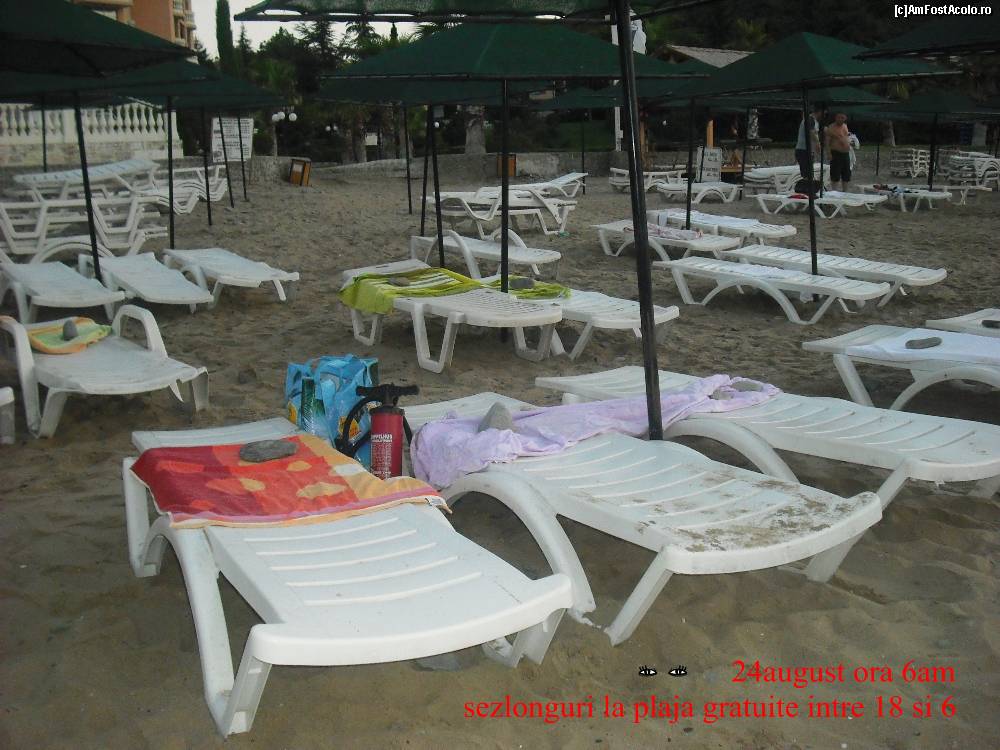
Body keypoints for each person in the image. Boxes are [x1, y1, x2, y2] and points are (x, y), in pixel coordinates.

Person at [826, 112, 853, 191]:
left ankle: (845, 192)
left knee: (846, 174)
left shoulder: (845, 126)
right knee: (835, 174)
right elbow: (827, 142)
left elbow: (846, 137)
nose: (840, 119)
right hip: (836, 153)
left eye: (842, 118)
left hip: (846, 153)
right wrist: (828, 153)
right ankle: (834, 192)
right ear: (836, 118)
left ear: (845, 118)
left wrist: (849, 143)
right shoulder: (831, 127)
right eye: (839, 117)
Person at [796, 104, 824, 179]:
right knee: (807, 174)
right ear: (820, 112)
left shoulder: (812, 120)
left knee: (809, 173)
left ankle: (808, 184)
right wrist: (818, 143)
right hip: (804, 150)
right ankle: (807, 185)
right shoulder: (810, 119)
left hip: (807, 150)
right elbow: (811, 132)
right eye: (824, 113)